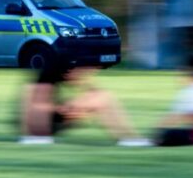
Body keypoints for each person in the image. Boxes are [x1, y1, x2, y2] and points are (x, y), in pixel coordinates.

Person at [19, 60, 152, 146]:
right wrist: (62, 108)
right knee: (41, 94)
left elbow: (91, 91)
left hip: (56, 117)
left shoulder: (68, 72)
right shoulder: (45, 74)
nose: (87, 73)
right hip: (39, 124)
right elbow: (29, 105)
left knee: (103, 96)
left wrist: (76, 107)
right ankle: (37, 137)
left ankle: (128, 138)